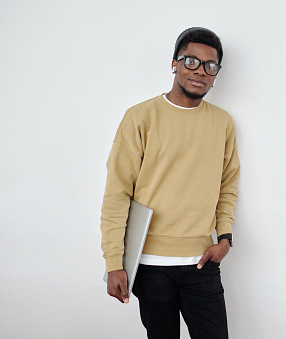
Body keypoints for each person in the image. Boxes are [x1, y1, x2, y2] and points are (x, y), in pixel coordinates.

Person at [100, 27, 240, 339]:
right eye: (191, 61)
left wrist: (225, 238)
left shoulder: (222, 122)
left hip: (202, 263)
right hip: (150, 266)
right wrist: (113, 262)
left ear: (216, 73)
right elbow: (117, 193)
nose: (200, 72)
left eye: (210, 66)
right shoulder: (140, 117)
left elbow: (227, 185)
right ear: (174, 63)